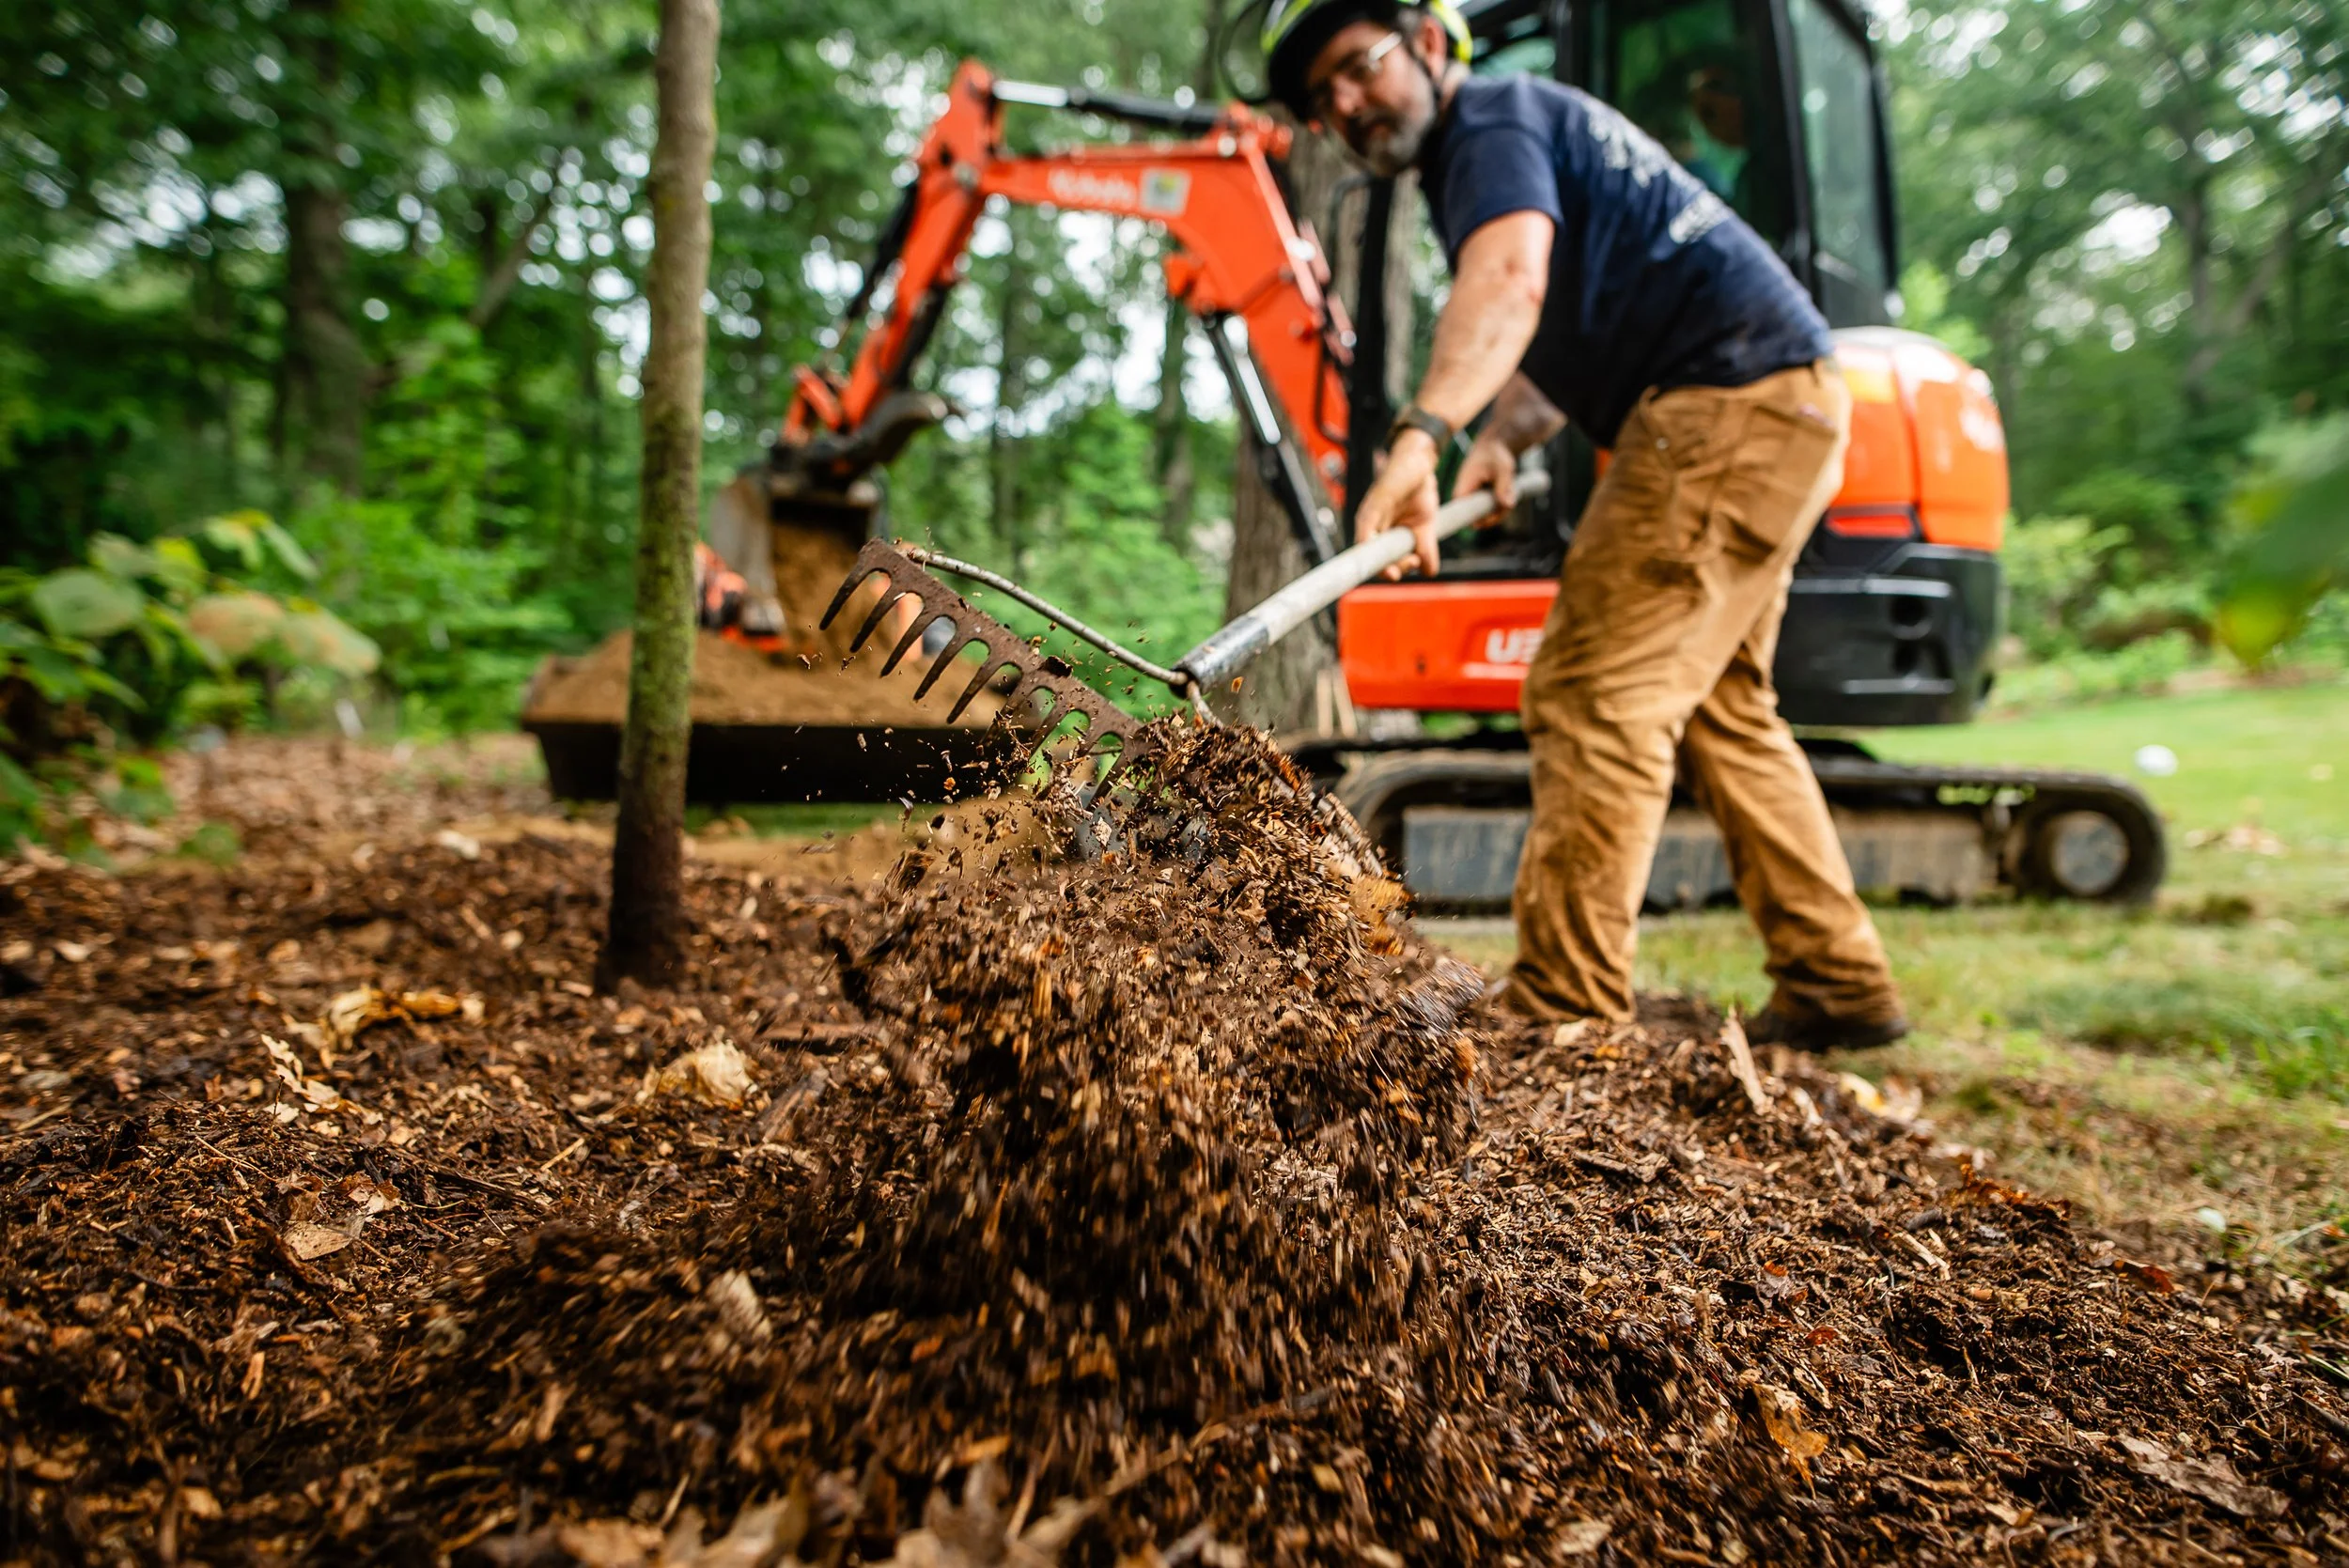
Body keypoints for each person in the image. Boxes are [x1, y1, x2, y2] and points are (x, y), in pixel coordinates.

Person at [1262, 0, 1907, 1048]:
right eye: (1322, 100)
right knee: (1722, 711)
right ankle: (1837, 980)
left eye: (1355, 66)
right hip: (1778, 399)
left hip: (1722, 405)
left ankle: (1566, 1009)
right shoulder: (1521, 131)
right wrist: (1502, 437)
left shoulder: (1492, 124)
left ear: (1429, 44)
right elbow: (1569, 315)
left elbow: (1510, 280)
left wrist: (1422, 435)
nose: (1344, 104)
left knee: (1589, 691)